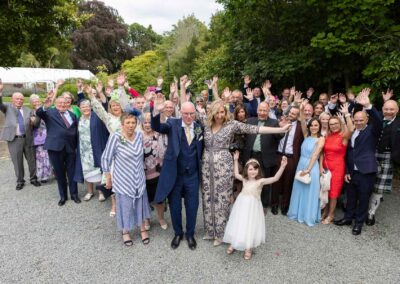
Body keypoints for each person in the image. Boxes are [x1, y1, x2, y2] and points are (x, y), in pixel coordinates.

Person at [200, 99, 290, 246]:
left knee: (222, 198)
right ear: (212, 113)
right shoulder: (206, 123)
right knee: (208, 197)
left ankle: (221, 234)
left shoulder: (232, 125)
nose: (219, 115)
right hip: (206, 165)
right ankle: (210, 231)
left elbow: (255, 129)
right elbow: (185, 112)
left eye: (222, 112)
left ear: (226, 112)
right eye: (216, 112)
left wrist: (279, 129)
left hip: (223, 165)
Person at [151, 100, 204, 250]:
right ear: (180, 112)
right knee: (175, 206)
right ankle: (178, 233)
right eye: (186, 113)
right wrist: (157, 111)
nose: (188, 116)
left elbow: (202, 147)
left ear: (195, 114)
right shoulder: (172, 124)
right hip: (175, 175)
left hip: (192, 175)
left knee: (192, 206)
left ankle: (190, 234)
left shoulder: (199, 128)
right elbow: (157, 126)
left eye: (191, 113)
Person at [223, 152, 287, 260]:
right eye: (250, 169)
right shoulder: (245, 179)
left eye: (255, 169)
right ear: (246, 171)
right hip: (241, 206)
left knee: (250, 224)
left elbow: (275, 178)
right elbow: (236, 174)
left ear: (259, 170)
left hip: (253, 208)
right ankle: (234, 242)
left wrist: (282, 166)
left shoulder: (260, 181)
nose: (253, 171)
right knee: (239, 222)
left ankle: (248, 247)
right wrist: (235, 160)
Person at [334, 89, 380, 235]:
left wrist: (368, 106)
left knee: (364, 198)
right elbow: (349, 152)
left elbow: (379, 120)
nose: (359, 122)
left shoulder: (373, 130)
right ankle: (348, 218)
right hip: (352, 172)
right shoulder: (352, 131)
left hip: (366, 171)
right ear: (353, 120)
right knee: (351, 196)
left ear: (366, 119)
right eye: (356, 120)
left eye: (361, 120)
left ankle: (358, 223)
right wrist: (347, 171)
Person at [101, 113, 151, 246]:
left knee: (140, 203)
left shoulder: (139, 136)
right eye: (128, 123)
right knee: (125, 205)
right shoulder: (115, 137)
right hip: (123, 178)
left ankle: (142, 229)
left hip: (139, 177)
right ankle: (125, 231)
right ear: (122, 124)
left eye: (133, 123)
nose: (131, 125)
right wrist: (108, 176)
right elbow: (106, 157)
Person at [36, 94, 80, 206]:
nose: (62, 104)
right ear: (55, 104)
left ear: (68, 104)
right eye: (60, 103)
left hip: (70, 148)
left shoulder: (72, 115)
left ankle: (74, 194)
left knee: (72, 172)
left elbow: (75, 131)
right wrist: (45, 106)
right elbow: (39, 113)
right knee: (60, 173)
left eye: (65, 103)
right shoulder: (49, 113)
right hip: (55, 148)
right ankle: (63, 196)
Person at [242, 101, 283, 209]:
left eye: (264, 110)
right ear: (257, 110)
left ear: (268, 111)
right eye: (260, 110)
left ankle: (263, 205)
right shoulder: (250, 121)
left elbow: (279, 136)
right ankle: (249, 202)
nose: (262, 112)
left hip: (265, 157)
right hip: (250, 155)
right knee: (249, 179)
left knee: (264, 182)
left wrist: (282, 129)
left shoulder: (274, 123)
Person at [366, 98, 400, 226]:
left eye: (392, 109)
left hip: (388, 156)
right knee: (366, 181)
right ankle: (360, 206)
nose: (389, 111)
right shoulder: (375, 120)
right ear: (382, 109)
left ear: (397, 110)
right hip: (370, 154)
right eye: (386, 109)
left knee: (378, 188)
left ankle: (371, 212)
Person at [287, 113, 325, 226]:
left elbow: (316, 154)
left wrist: (308, 169)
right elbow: (303, 121)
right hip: (301, 164)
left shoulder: (321, 139)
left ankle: (308, 215)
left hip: (311, 167)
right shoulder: (306, 135)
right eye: (312, 125)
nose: (314, 127)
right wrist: (301, 108)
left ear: (319, 126)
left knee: (309, 191)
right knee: (299, 189)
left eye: (316, 125)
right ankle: (297, 213)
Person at [89, 90, 123, 216]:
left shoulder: (127, 117)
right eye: (113, 105)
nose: (115, 107)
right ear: (110, 107)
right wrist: (92, 96)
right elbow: (99, 109)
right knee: (113, 177)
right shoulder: (108, 118)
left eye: (117, 105)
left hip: (127, 148)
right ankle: (114, 205)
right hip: (114, 149)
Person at [0, 89, 41, 190]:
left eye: (21, 99)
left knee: (31, 160)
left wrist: (35, 120)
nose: (19, 100)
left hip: (27, 138)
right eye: (17, 98)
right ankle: (20, 181)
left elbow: (36, 124)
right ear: (12, 99)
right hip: (14, 139)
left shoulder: (28, 110)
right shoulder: (7, 107)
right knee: (17, 162)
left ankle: (33, 178)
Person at [320, 104, 353, 224]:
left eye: (335, 123)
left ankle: (331, 215)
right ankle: (325, 211)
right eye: (331, 124)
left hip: (337, 168)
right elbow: (323, 152)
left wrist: (347, 115)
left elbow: (351, 129)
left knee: (333, 192)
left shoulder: (343, 137)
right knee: (326, 190)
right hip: (326, 167)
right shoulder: (328, 136)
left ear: (339, 124)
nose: (333, 126)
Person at [74, 99, 109, 202]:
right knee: (86, 171)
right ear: (79, 108)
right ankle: (89, 191)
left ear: (91, 107)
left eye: (87, 106)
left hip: (96, 147)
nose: (85, 108)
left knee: (98, 170)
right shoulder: (78, 120)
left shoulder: (97, 117)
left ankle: (101, 192)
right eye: (83, 106)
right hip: (84, 150)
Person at [271, 106, 304, 215]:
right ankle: (274, 204)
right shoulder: (281, 122)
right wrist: (280, 126)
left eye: (294, 113)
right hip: (279, 155)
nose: (291, 114)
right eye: (290, 112)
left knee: (288, 183)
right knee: (276, 181)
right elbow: (274, 137)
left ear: (298, 116)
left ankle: (285, 205)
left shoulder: (300, 127)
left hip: (291, 157)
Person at [142, 112, 168, 230]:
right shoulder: (138, 136)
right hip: (142, 174)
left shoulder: (159, 135)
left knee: (159, 199)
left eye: (149, 122)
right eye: (145, 122)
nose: (147, 124)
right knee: (145, 200)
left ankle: (161, 218)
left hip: (158, 173)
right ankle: (146, 220)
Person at [30, 94, 52, 183]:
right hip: (39, 138)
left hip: (49, 135)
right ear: (31, 103)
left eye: (37, 100)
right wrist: (38, 112)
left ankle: (53, 173)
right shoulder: (32, 113)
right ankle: (43, 176)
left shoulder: (45, 110)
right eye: (34, 101)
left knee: (50, 156)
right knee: (41, 158)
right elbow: (35, 124)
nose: (36, 102)